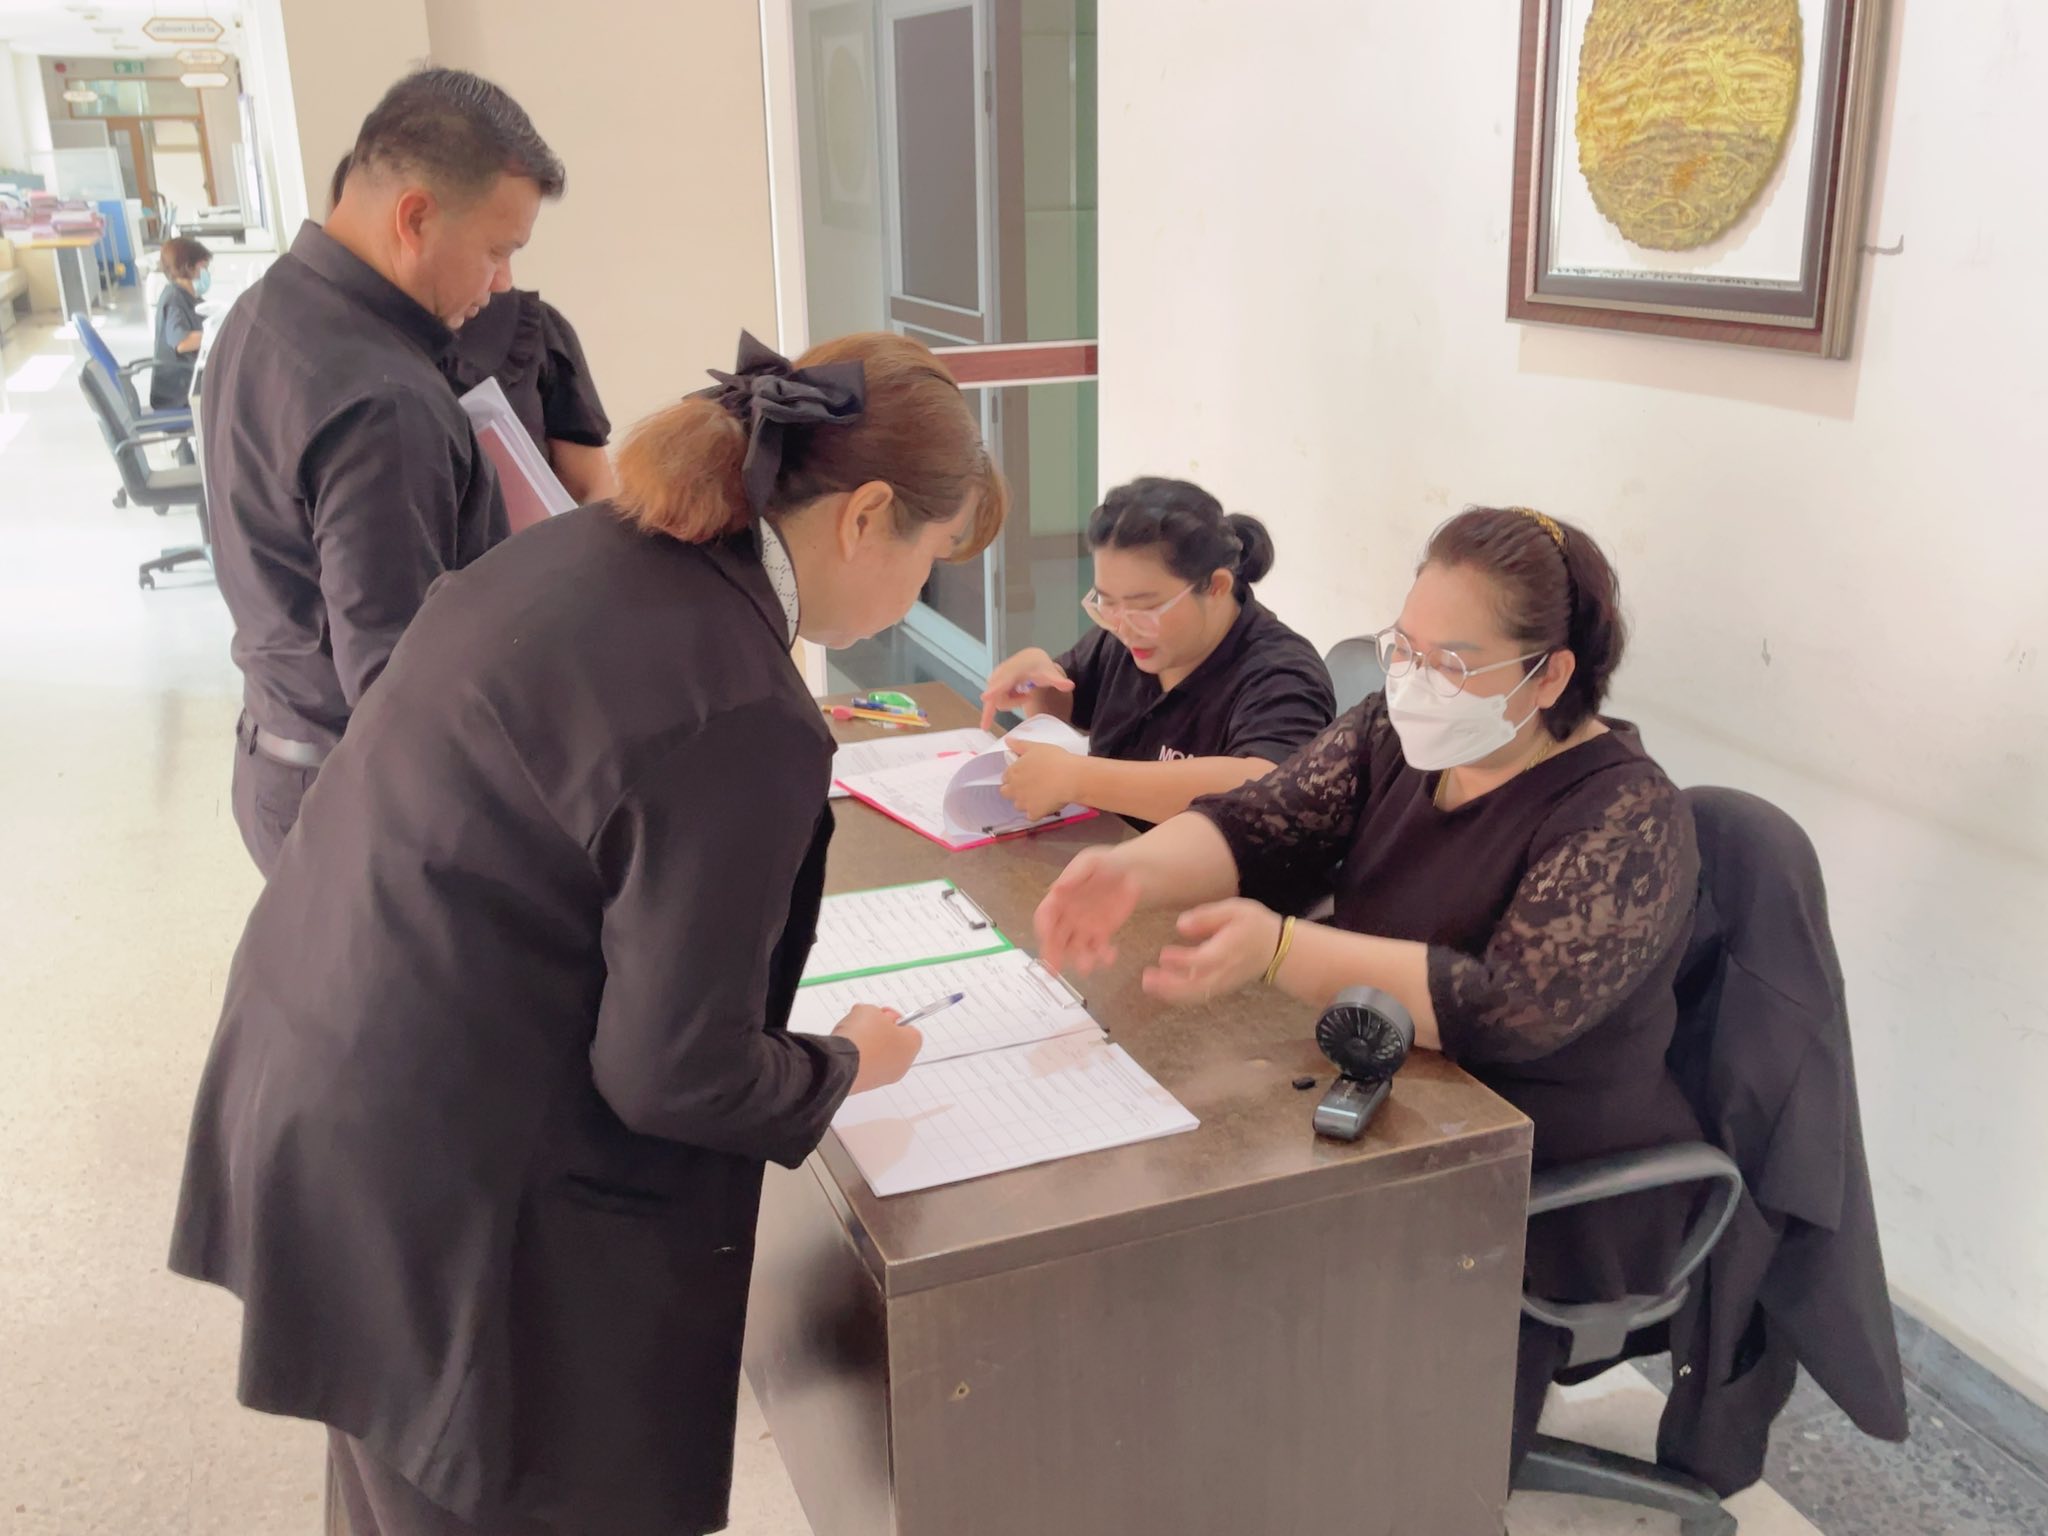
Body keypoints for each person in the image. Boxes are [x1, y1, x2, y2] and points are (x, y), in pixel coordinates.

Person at [168, 330, 1006, 1536]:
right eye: (931, 555)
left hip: (323, 1072)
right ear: (867, 515)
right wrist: (846, 1061)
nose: (919, 594)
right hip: (441, 1182)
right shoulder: (736, 705)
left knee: (395, 1487)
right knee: (478, 1492)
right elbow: (677, 1070)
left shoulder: (596, 546)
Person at [1033, 505, 1702, 1472]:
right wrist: (1135, 873)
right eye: (1406, 647)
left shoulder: (1628, 815)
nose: (1416, 681)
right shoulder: (1398, 734)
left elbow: (1503, 1009)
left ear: (1549, 673)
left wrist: (1280, 951)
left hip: (1534, 1162)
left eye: (1453, 663)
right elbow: (1263, 821)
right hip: (1384, 1086)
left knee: (1328, 1392)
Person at [206, 68, 562, 876]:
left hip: (276, 756)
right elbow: (397, 686)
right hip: (355, 799)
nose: (502, 283)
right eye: (498, 251)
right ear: (415, 218)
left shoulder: (268, 306)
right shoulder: (383, 401)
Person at [979, 476, 1335, 828]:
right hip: (1110, 853)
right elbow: (1066, 704)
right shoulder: (1126, 636)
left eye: (1144, 606)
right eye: (1107, 602)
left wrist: (1080, 779)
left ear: (1216, 587)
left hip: (1214, 883)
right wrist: (1039, 680)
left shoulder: (1283, 673)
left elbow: (1262, 786)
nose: (1122, 625)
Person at [331, 153, 618, 503]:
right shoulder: (333, 356)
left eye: (502, 251)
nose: (502, 279)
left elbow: (593, 489)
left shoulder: (531, 330)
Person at [149, 235, 210, 409]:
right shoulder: (175, 298)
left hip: (187, 380)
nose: (206, 272)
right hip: (178, 392)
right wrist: (218, 334)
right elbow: (181, 342)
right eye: (203, 267)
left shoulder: (187, 297)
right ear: (188, 267)